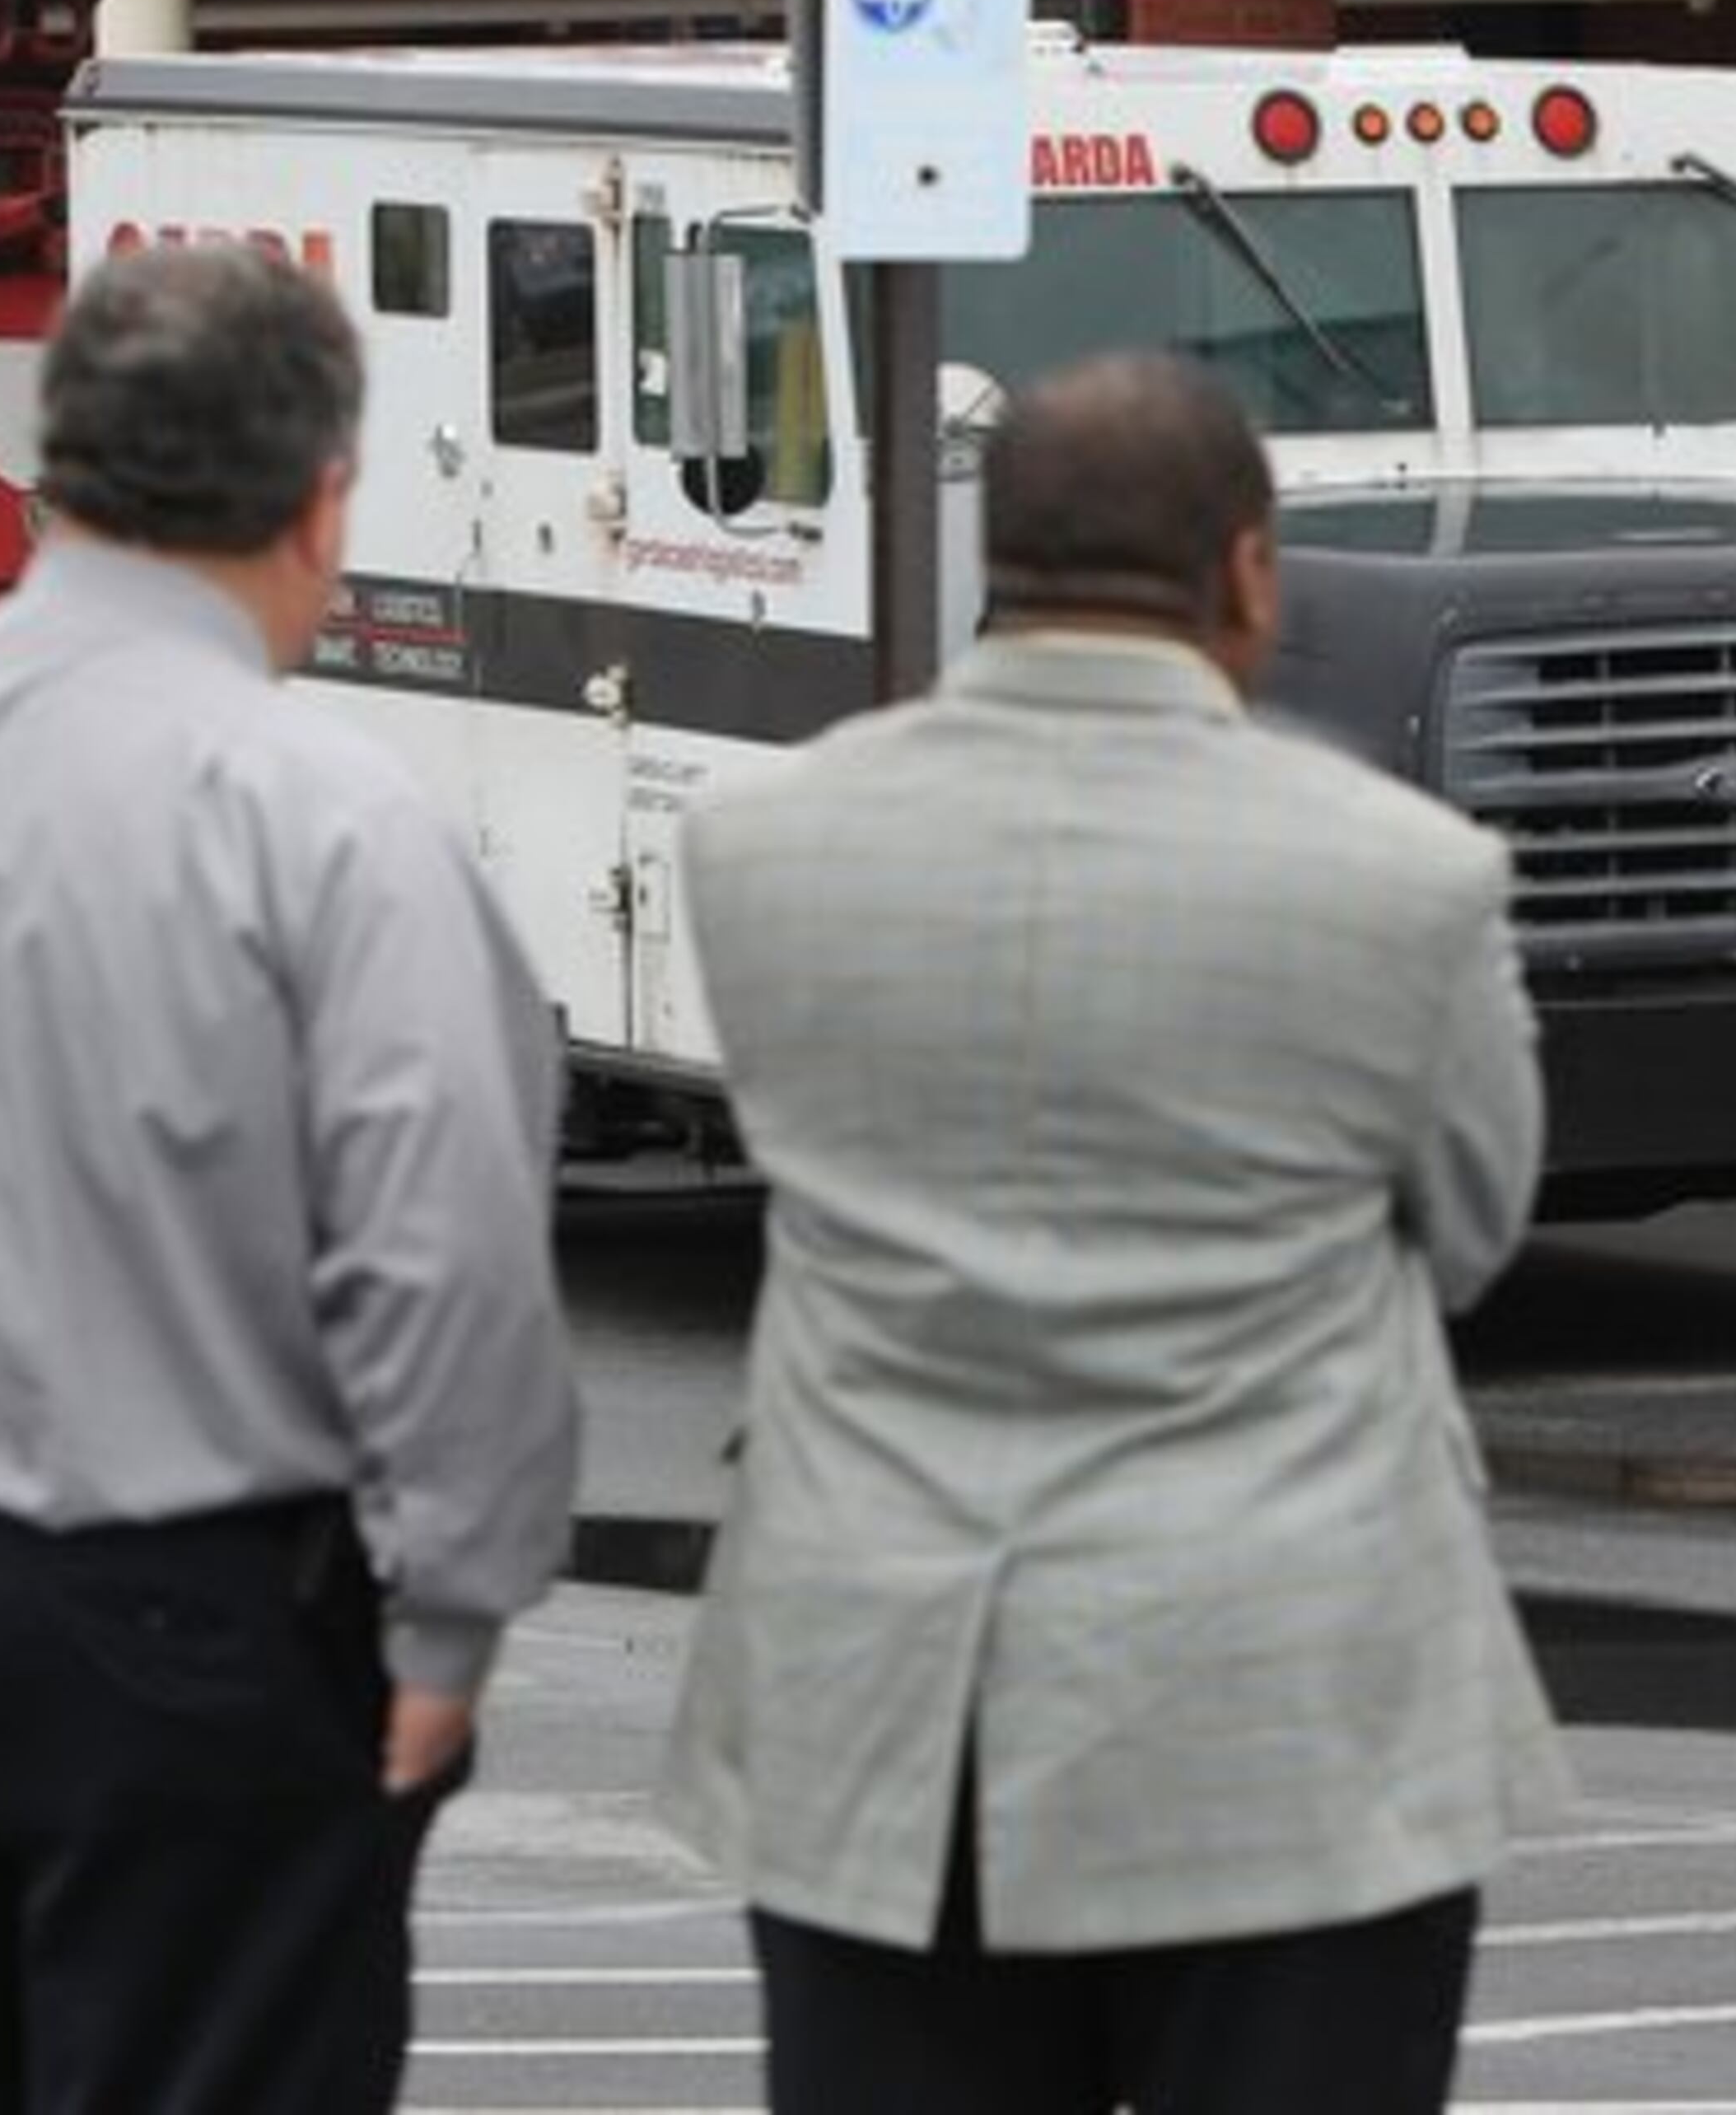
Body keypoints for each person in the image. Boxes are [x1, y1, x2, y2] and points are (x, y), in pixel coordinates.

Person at [0, 244, 580, 2115]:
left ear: (48, 475)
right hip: (191, 1596)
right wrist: (449, 1614)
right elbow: (447, 1255)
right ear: (321, 500)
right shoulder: (322, 815)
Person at [661, 348, 1572, 2115]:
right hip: (1287, 1713)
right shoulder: (1403, 874)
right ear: (1250, 569)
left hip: (885, 1716)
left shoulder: (759, 842)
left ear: (995, 556)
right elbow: (1467, 1229)